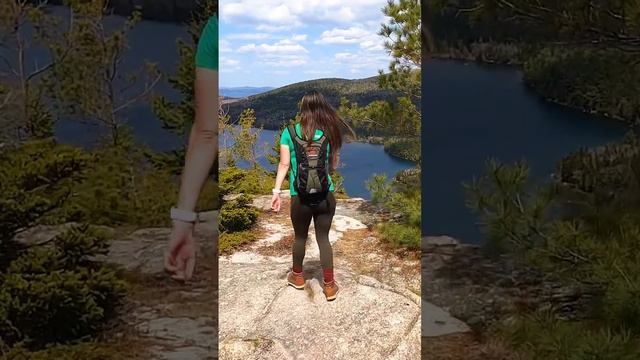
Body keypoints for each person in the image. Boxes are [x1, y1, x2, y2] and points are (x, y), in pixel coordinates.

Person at [271, 91, 354, 301]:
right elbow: (332, 164)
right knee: (323, 238)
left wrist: (276, 191)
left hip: (299, 197)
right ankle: (329, 286)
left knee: (300, 237)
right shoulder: (330, 132)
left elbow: (284, 164)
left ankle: (297, 277)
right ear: (322, 108)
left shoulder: (289, 132)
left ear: (303, 109)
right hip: (326, 196)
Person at [164, 15, 218, 282]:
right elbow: (207, 131)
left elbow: (208, 132)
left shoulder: (217, 28)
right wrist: (184, 218)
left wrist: (184, 219)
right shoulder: (216, 30)